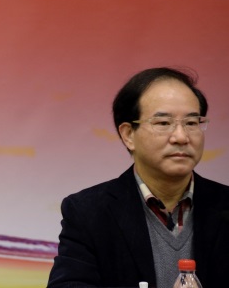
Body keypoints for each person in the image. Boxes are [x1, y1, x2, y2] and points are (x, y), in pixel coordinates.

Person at [47, 67, 229, 288]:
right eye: (163, 123)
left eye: (191, 123)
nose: (181, 137)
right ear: (128, 134)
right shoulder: (89, 212)